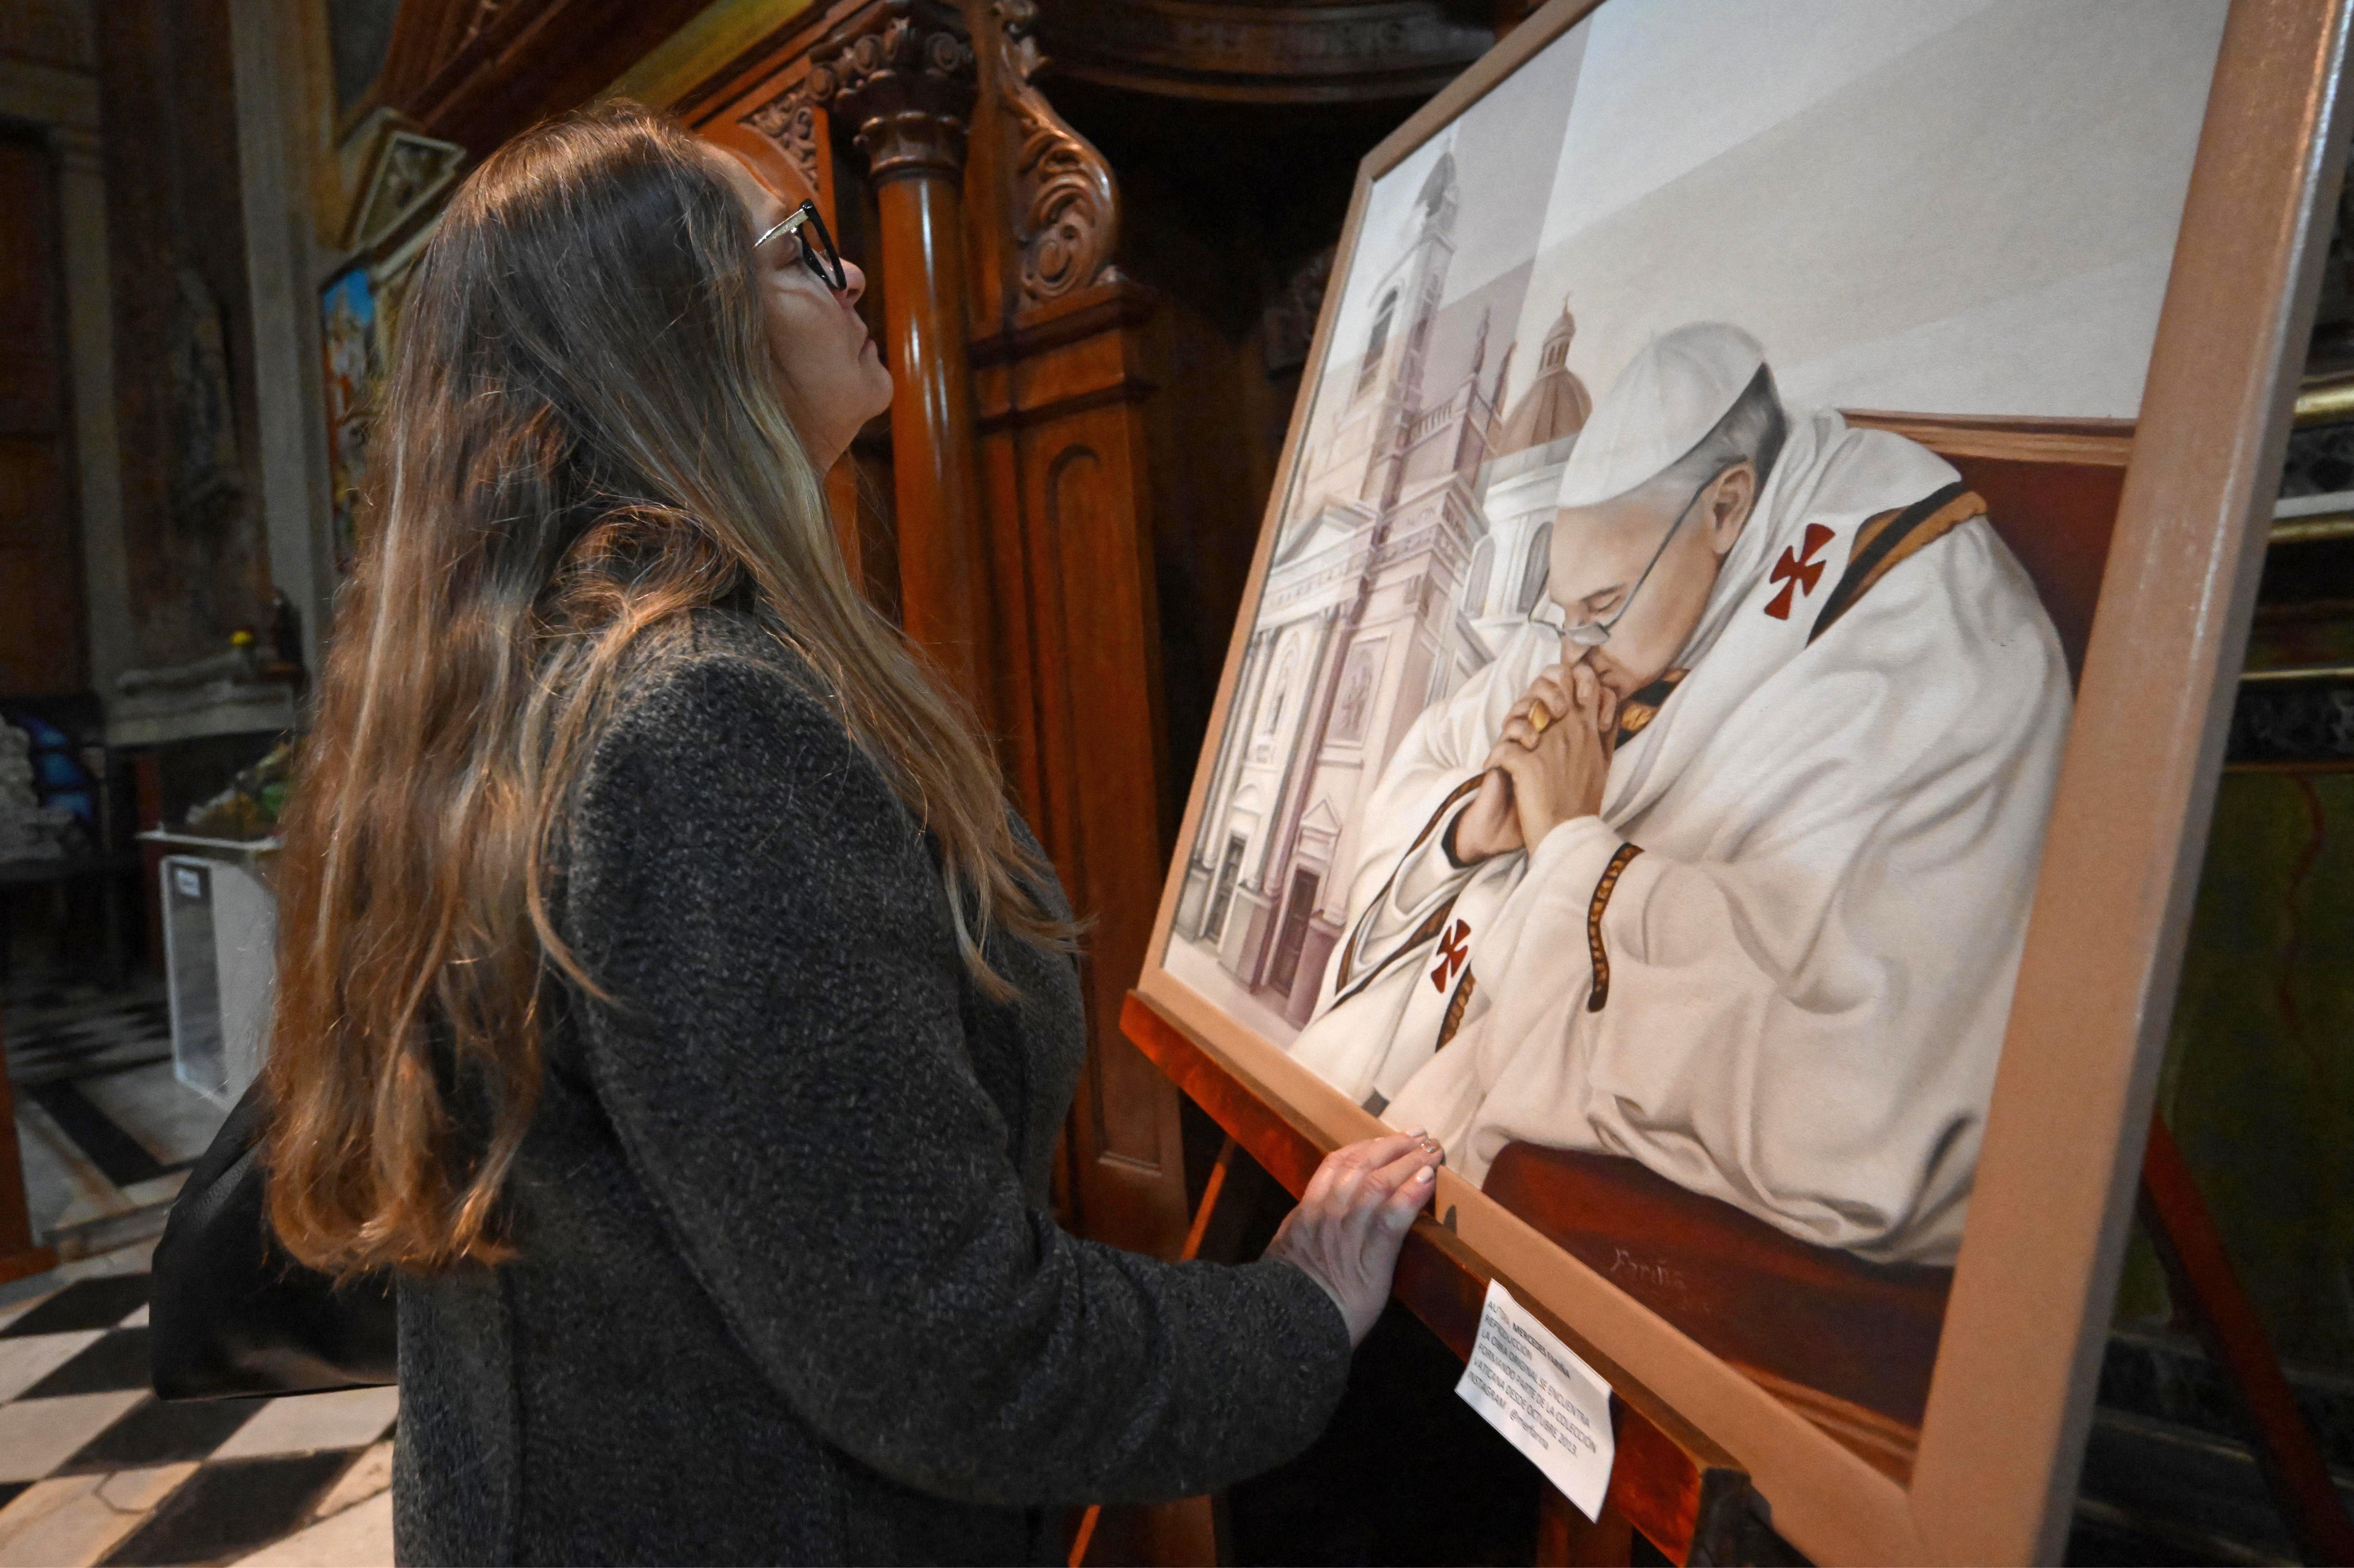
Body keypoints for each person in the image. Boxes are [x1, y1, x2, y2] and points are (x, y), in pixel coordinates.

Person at [259, 102, 1440, 1566]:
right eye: (800, 249)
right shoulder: (692, 725)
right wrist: (1301, 1308)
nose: (856, 274)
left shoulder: (537, 682)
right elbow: (954, 1348)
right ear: (676, 337)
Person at [1289, 323, 2070, 1265]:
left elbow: (1846, 1082)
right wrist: (1467, 833)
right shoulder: (1606, 613)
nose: (1573, 650)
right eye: (1566, 611)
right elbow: (1434, 759)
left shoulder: (1913, 632)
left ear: (1727, 507)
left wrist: (1570, 841)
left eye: (1604, 607)